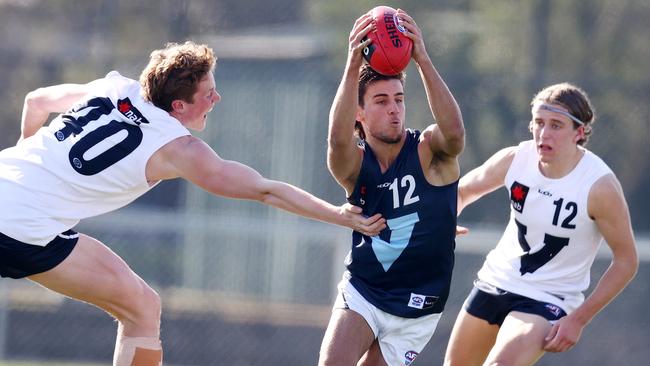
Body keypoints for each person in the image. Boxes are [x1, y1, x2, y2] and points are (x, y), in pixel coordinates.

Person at [0, 41, 387, 366]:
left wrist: (25, 168)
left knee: (143, 302)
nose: (217, 98)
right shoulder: (177, 149)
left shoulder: (114, 87)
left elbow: (36, 102)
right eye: (208, 94)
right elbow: (265, 190)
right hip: (22, 230)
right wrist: (338, 215)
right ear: (179, 107)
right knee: (141, 311)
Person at [444, 83, 638, 366]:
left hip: (547, 299)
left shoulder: (599, 187)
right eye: (538, 122)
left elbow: (626, 261)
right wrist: (445, 222)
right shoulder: (516, 159)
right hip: (494, 282)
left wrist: (578, 319)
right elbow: (461, 192)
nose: (544, 133)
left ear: (580, 132)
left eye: (556, 125)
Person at [319, 9, 465, 366]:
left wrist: (422, 59)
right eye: (381, 102)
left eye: (399, 99)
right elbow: (337, 142)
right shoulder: (354, 165)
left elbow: (456, 134)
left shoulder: (429, 152)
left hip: (418, 306)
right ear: (360, 114)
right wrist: (353, 63)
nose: (394, 110)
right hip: (366, 289)